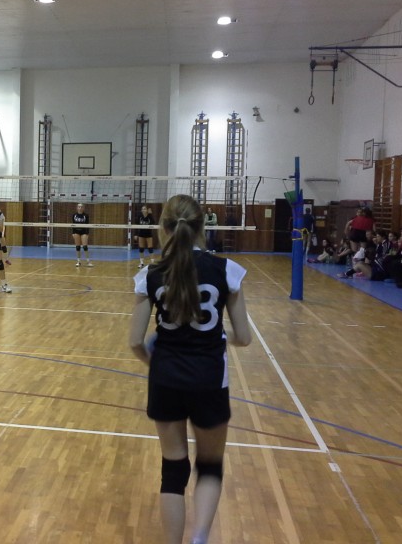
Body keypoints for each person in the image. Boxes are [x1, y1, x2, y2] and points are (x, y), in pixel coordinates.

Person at [128, 194, 251, 544]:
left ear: (163, 228)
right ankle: (199, 537)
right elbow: (244, 337)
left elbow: (135, 341)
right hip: (209, 378)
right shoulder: (226, 270)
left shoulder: (150, 275)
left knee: (173, 470)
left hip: (165, 379)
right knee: (209, 465)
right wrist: (218, 335)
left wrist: (157, 363)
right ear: (202, 228)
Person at [72, 202, 92, 267]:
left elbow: (88, 225)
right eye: (79, 207)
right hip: (76, 232)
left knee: (85, 247)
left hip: (84, 232)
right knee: (78, 247)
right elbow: (73, 225)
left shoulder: (86, 215)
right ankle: (78, 261)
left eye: (81, 207)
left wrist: (87, 233)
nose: (80, 208)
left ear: (83, 208)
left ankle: (88, 262)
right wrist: (73, 233)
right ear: (77, 208)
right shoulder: (74, 215)